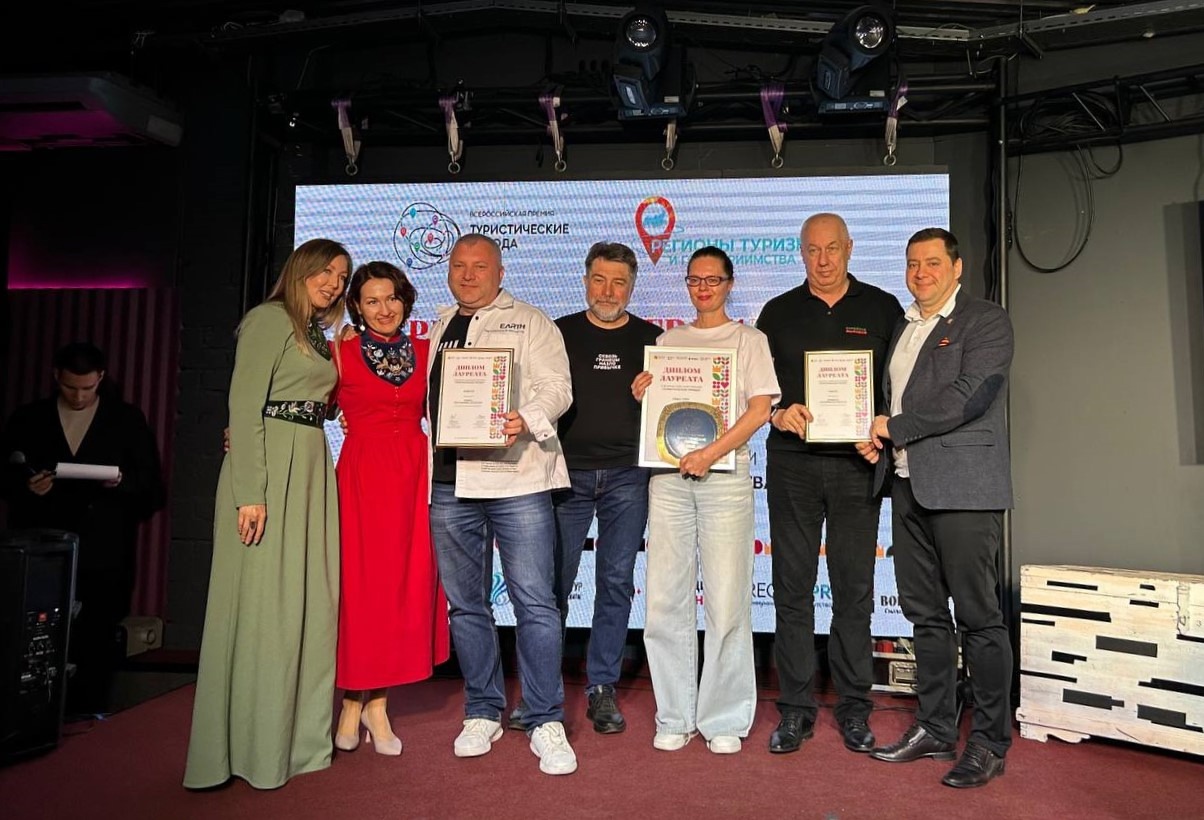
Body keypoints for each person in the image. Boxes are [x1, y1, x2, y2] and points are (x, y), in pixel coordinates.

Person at [184, 238, 349, 790]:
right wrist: (250, 492)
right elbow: (243, 403)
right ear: (300, 270)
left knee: (307, 605)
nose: (334, 283)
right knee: (262, 608)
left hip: (309, 468)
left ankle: (296, 743)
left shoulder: (316, 334)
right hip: (271, 473)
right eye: (326, 271)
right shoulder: (268, 319)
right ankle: (246, 748)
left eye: (342, 277)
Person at [856, 227, 1014, 789]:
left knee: (979, 619)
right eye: (912, 264)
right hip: (907, 486)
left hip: (964, 489)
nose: (920, 273)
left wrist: (893, 428)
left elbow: (970, 396)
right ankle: (937, 728)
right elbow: (892, 400)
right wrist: (877, 437)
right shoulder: (904, 326)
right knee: (925, 617)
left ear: (957, 267)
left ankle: (990, 742)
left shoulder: (986, 321)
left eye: (932, 263)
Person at [426, 233, 578, 775]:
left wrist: (525, 418)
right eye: (459, 266)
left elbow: (558, 388)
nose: (468, 275)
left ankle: (544, 718)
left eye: (479, 266)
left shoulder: (532, 322)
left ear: (500, 271)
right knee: (466, 605)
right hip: (450, 483)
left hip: (516, 479)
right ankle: (482, 710)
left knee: (535, 603)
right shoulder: (441, 324)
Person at [755, 213, 903, 754]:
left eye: (832, 249)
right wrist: (777, 414)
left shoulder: (883, 308)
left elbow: (898, 388)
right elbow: (758, 392)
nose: (822, 260)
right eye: (813, 250)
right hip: (792, 465)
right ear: (801, 253)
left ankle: (854, 708)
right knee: (792, 590)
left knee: (854, 591)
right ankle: (795, 709)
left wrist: (882, 431)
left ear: (849, 248)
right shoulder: (776, 312)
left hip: (856, 466)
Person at [634, 246, 781, 755]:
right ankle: (674, 714)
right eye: (695, 280)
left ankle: (724, 717)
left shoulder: (749, 340)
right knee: (664, 598)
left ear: (729, 283)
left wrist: (710, 453)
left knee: (726, 597)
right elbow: (660, 417)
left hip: (724, 477)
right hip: (670, 477)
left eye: (713, 280)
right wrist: (644, 394)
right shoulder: (667, 342)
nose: (703, 288)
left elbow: (759, 411)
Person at [510, 242, 661, 735]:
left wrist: (655, 394)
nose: (608, 291)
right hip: (564, 474)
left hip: (628, 476)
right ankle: (540, 691)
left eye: (619, 282)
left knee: (615, 583)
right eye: (600, 279)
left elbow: (676, 408)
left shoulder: (655, 340)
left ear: (632, 286)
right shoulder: (557, 334)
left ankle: (602, 686)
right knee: (551, 585)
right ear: (585, 281)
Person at [1, 342, 165, 717]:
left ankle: (89, 718)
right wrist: (26, 486)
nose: (78, 396)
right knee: (34, 641)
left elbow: (152, 488)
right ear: (56, 377)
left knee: (95, 642)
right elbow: (6, 474)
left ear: (101, 379)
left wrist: (120, 481)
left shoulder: (125, 420)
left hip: (104, 553)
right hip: (41, 550)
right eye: (70, 387)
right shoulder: (29, 419)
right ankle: (33, 719)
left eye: (87, 388)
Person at [331, 261, 450, 756]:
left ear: (406, 301)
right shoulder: (338, 353)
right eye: (372, 301)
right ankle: (359, 700)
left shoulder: (427, 351)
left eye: (392, 298)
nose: (384, 309)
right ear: (356, 307)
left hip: (413, 477)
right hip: (361, 479)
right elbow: (304, 405)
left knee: (399, 589)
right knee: (360, 590)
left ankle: (370, 704)